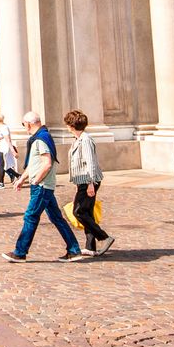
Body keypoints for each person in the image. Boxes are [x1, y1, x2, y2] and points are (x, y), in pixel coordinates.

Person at [5, 111, 79, 262]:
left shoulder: (40, 139)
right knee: (57, 218)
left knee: (31, 216)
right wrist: (22, 179)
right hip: (43, 185)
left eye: (23, 124)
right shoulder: (38, 138)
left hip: (42, 186)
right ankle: (74, 249)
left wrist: (36, 181)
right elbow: (33, 164)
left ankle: (20, 252)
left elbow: (47, 164)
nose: (24, 127)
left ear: (29, 124)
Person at [63, 110, 114, 256]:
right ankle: (90, 246)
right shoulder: (79, 139)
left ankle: (104, 237)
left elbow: (90, 162)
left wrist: (90, 183)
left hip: (88, 181)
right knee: (87, 212)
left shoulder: (85, 140)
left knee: (78, 211)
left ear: (71, 125)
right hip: (84, 181)